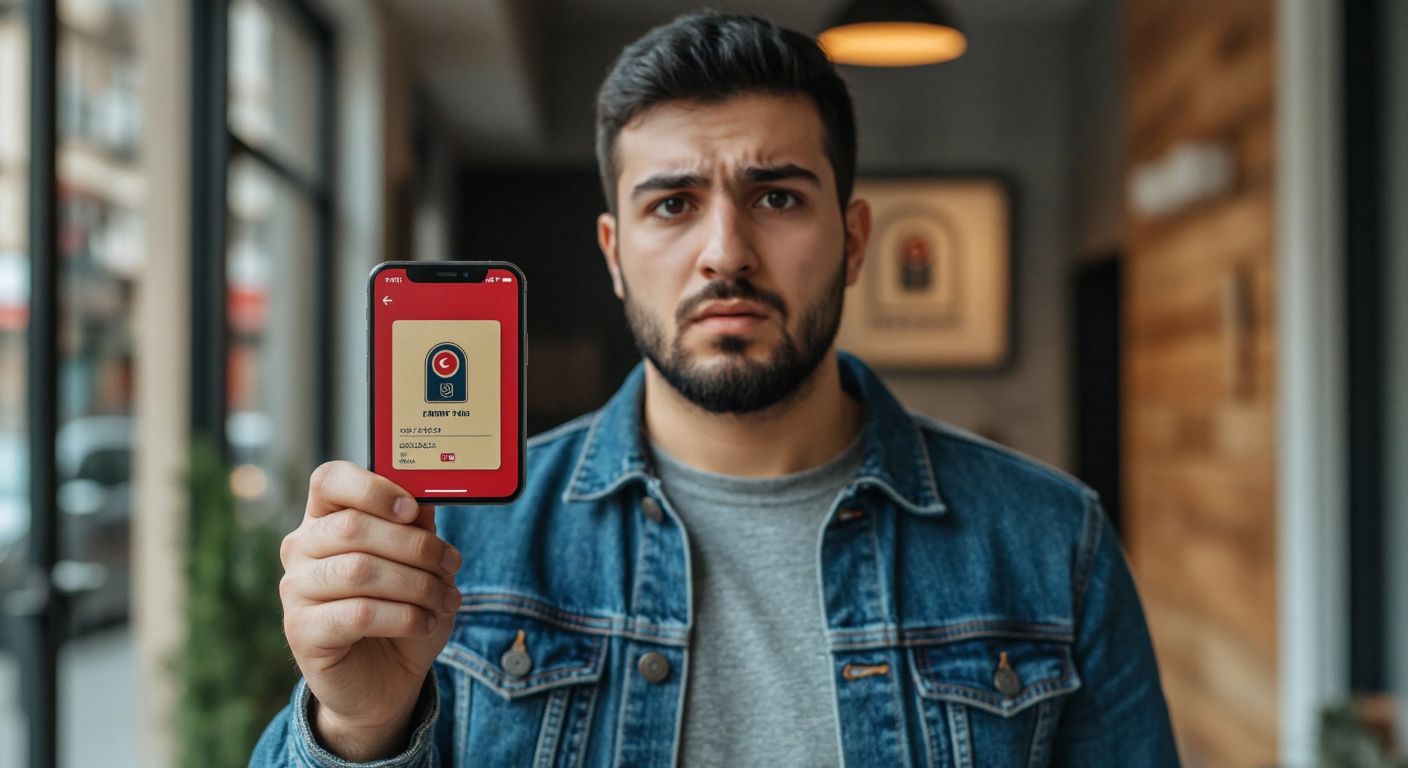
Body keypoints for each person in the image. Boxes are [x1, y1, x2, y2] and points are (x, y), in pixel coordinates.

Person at [250, 10, 1179, 767]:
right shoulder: (452, 540)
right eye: (672, 203)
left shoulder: (1056, 544)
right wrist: (358, 733)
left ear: (854, 241)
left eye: (777, 196)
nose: (726, 251)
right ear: (615, 256)